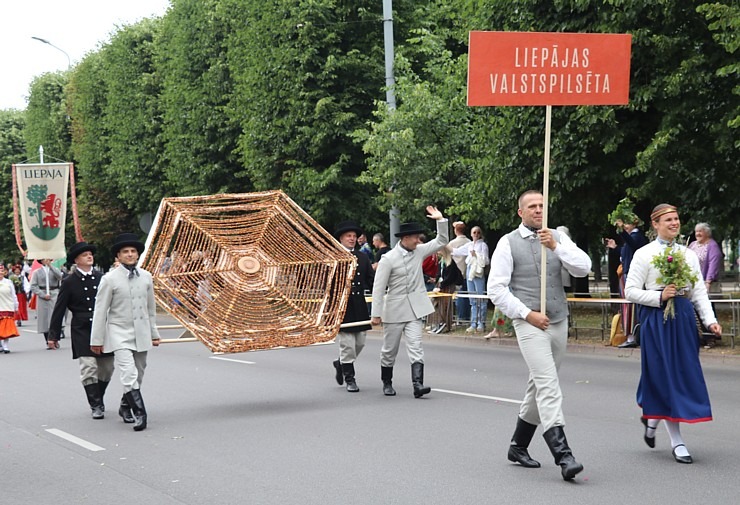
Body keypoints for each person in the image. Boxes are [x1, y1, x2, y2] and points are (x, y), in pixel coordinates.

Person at [488, 190, 591, 481]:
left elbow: (584, 268)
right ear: (521, 212)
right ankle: (564, 456)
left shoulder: (556, 236)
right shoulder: (507, 243)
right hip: (529, 322)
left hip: (558, 319)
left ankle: (518, 446)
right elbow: (496, 288)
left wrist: (556, 246)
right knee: (548, 385)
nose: (538, 210)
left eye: (542, 206)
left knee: (538, 385)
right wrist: (526, 314)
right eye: (532, 206)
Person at [625, 204, 721, 464]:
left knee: (682, 375)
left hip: (683, 317)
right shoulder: (644, 254)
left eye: (676, 219)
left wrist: (710, 321)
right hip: (656, 319)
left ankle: (653, 419)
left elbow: (698, 290)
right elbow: (631, 291)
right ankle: (677, 441)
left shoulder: (688, 254)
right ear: (655, 224)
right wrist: (659, 296)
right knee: (664, 375)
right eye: (668, 219)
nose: (674, 223)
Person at [371, 206, 448, 398]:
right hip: (394, 311)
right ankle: (387, 382)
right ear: (405, 238)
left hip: (415, 309)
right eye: (415, 237)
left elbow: (442, 241)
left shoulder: (419, 251)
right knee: (390, 350)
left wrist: (440, 220)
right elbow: (378, 289)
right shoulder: (388, 259)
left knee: (416, 346)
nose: (418, 240)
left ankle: (417, 384)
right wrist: (376, 313)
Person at [47, 242, 126, 421]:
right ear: (76, 260)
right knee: (89, 367)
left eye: (91, 254)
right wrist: (53, 335)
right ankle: (96, 405)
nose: (89, 257)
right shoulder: (69, 281)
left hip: (102, 327)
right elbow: (59, 309)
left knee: (106, 368)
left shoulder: (103, 277)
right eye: (85, 255)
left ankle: (98, 396)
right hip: (81, 328)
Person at [91, 233, 161, 431]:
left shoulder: (146, 277)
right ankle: (140, 413)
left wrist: (154, 334)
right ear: (118, 256)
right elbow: (100, 310)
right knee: (128, 372)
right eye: (125, 252)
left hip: (141, 331)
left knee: (139, 372)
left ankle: (124, 406)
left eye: (133, 251)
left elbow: (151, 309)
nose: (130, 255)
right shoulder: (109, 279)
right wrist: (97, 339)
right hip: (118, 331)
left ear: (137, 254)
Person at [331, 221, 374, 392]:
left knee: (360, 342)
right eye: (348, 236)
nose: (352, 239)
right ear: (341, 238)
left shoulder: (362, 257)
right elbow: (329, 285)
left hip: (360, 305)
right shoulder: (334, 257)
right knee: (347, 345)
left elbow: (370, 279)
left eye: (354, 236)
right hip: (343, 306)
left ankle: (341, 363)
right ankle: (350, 379)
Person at [605, 217, 648, 348]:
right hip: (626, 274)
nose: (625, 226)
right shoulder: (630, 238)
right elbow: (626, 253)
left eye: (627, 223)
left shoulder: (637, 236)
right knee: (627, 306)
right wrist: (615, 247)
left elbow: (634, 245)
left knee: (631, 306)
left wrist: (622, 230)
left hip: (632, 275)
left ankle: (633, 336)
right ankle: (631, 335)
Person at [451, 226, 489, 333]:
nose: (476, 234)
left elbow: (486, 260)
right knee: (472, 298)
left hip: (477, 271)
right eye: (474, 232)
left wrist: (476, 255)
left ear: (480, 234)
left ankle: (481, 322)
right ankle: (473, 323)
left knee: (480, 297)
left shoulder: (483, 245)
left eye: (478, 232)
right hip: (470, 270)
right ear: (471, 234)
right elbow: (457, 251)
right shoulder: (469, 245)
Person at [30, 258, 64, 349]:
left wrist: (51, 266)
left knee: (55, 316)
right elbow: (33, 286)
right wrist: (42, 294)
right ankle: (47, 340)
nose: (46, 260)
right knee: (44, 318)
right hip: (43, 294)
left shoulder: (55, 270)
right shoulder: (37, 272)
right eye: (44, 259)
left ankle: (55, 339)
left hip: (54, 293)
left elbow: (60, 277)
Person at [447, 221, 471, 326]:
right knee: (467, 295)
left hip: (456, 273)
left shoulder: (452, 244)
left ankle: (460, 318)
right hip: (468, 271)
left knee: (458, 296)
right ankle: (466, 317)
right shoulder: (469, 241)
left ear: (456, 230)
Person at [0, 264, 20, 353]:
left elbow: (13, 295)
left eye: (1, 272)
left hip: (7, 306)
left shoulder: (8, 282)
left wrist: (16, 305)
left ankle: (6, 346)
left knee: (6, 328)